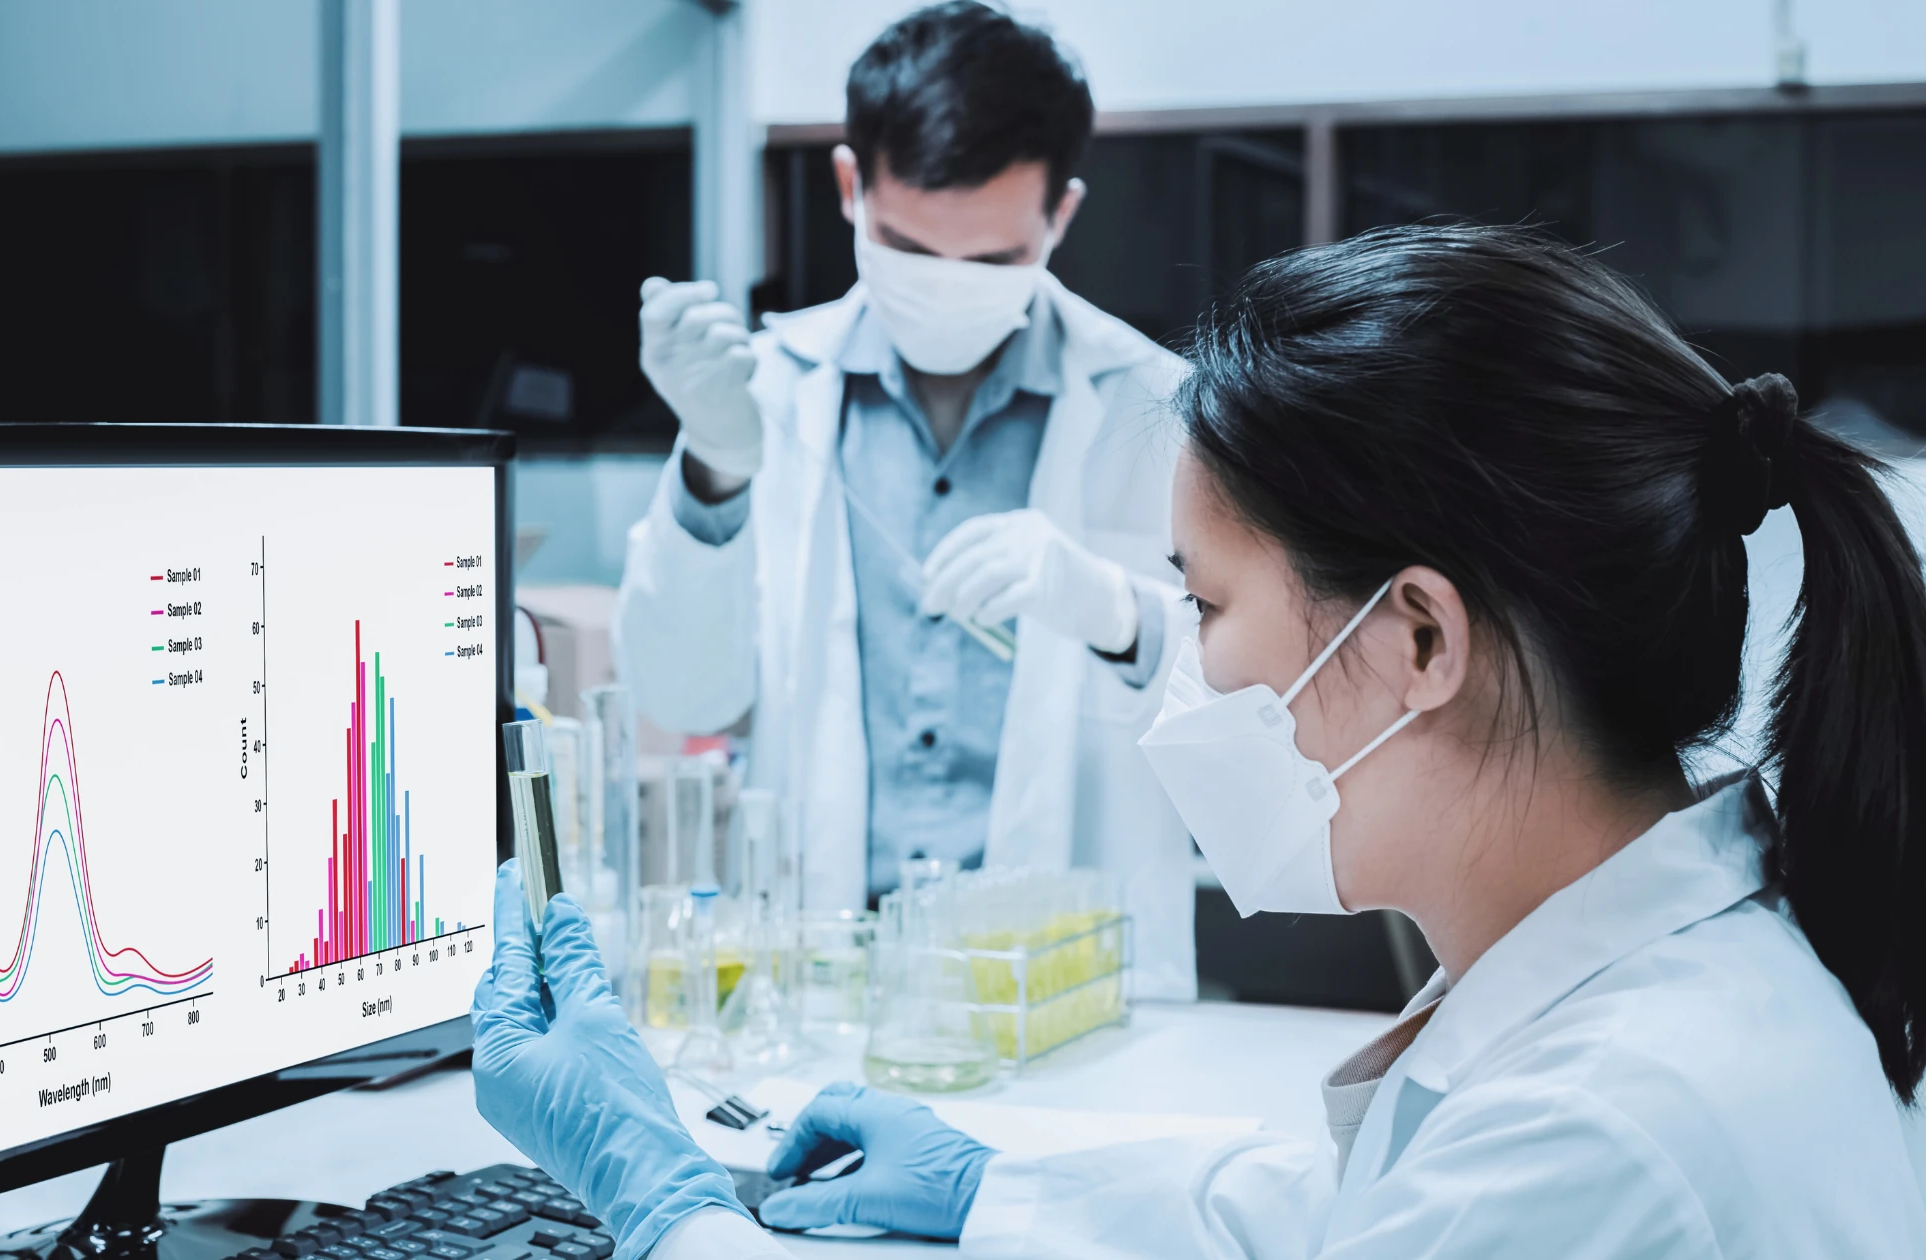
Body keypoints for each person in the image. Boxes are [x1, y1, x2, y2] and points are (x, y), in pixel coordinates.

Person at [474, 222, 1926, 1259]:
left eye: (1205, 599)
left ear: (1420, 641)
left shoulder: (1611, 1131)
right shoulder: (1653, 988)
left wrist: (668, 1206)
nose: (1186, 662)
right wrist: (990, 1191)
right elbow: (1336, 1221)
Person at [614, 2, 1199, 996]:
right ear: (851, 186)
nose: (945, 286)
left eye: (993, 261)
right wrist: (713, 465)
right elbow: (681, 698)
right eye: (909, 249)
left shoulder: (1157, 411)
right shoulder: (762, 395)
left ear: (1058, 215)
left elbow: (1271, 717)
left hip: (1074, 992)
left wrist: (1122, 615)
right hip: (821, 983)